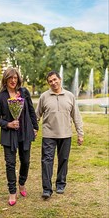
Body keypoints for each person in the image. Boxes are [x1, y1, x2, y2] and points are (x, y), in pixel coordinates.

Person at [0, 67, 38, 206]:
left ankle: (22, 183)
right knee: (10, 164)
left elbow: (31, 110)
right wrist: (8, 124)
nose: (13, 80)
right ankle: (12, 192)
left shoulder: (24, 92)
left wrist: (35, 127)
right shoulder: (1, 96)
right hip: (9, 134)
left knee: (25, 161)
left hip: (24, 132)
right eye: (10, 78)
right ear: (5, 79)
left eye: (15, 78)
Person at [35, 71, 84, 199]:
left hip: (65, 134)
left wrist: (80, 133)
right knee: (47, 161)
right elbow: (36, 115)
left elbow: (76, 116)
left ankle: (60, 184)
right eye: (50, 81)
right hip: (48, 135)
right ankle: (47, 189)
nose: (53, 82)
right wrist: (34, 129)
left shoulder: (70, 96)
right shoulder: (44, 97)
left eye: (55, 79)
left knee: (63, 160)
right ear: (48, 83)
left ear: (60, 79)